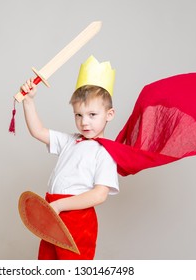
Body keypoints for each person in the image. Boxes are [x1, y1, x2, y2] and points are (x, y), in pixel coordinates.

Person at [20, 56, 119, 260]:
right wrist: (29, 102)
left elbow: (99, 195)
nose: (84, 122)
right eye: (78, 115)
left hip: (77, 218)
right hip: (53, 213)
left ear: (109, 114)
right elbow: (38, 131)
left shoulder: (105, 152)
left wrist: (60, 206)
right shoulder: (70, 141)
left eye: (92, 115)